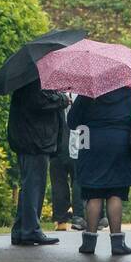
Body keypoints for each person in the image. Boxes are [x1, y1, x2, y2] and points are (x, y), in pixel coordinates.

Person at [66, 84, 131, 255]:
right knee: (115, 192)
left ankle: (89, 241)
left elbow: (72, 121)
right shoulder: (130, 91)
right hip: (121, 144)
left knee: (93, 193)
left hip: (92, 143)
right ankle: (117, 242)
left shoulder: (88, 92)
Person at [7, 79, 71, 246]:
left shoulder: (29, 78)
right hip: (35, 141)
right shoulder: (35, 80)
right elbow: (41, 101)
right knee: (34, 186)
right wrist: (63, 99)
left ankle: (21, 230)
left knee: (29, 185)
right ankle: (30, 231)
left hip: (31, 139)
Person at [49, 95, 84, 230]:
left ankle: (60, 219)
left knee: (58, 181)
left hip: (56, 140)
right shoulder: (81, 92)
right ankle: (78, 216)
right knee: (78, 178)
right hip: (77, 138)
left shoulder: (53, 92)